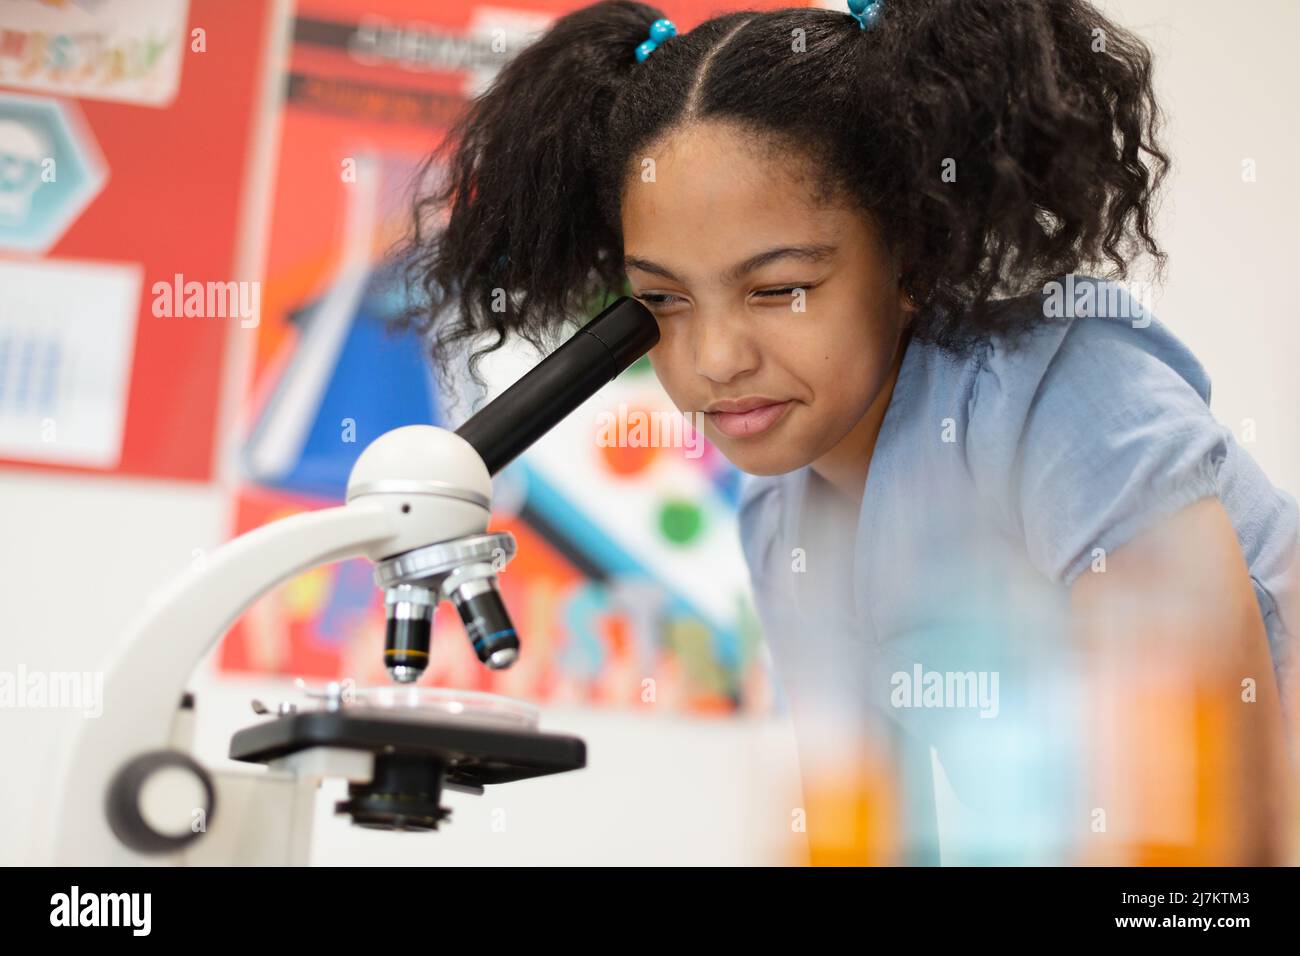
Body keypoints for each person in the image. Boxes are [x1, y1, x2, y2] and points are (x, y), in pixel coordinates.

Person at [397, 0, 1298, 862]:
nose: (713, 358)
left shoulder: (1062, 402)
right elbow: (864, 838)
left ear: (912, 255)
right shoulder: (783, 522)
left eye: (779, 288)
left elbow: (1218, 855)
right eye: (663, 299)